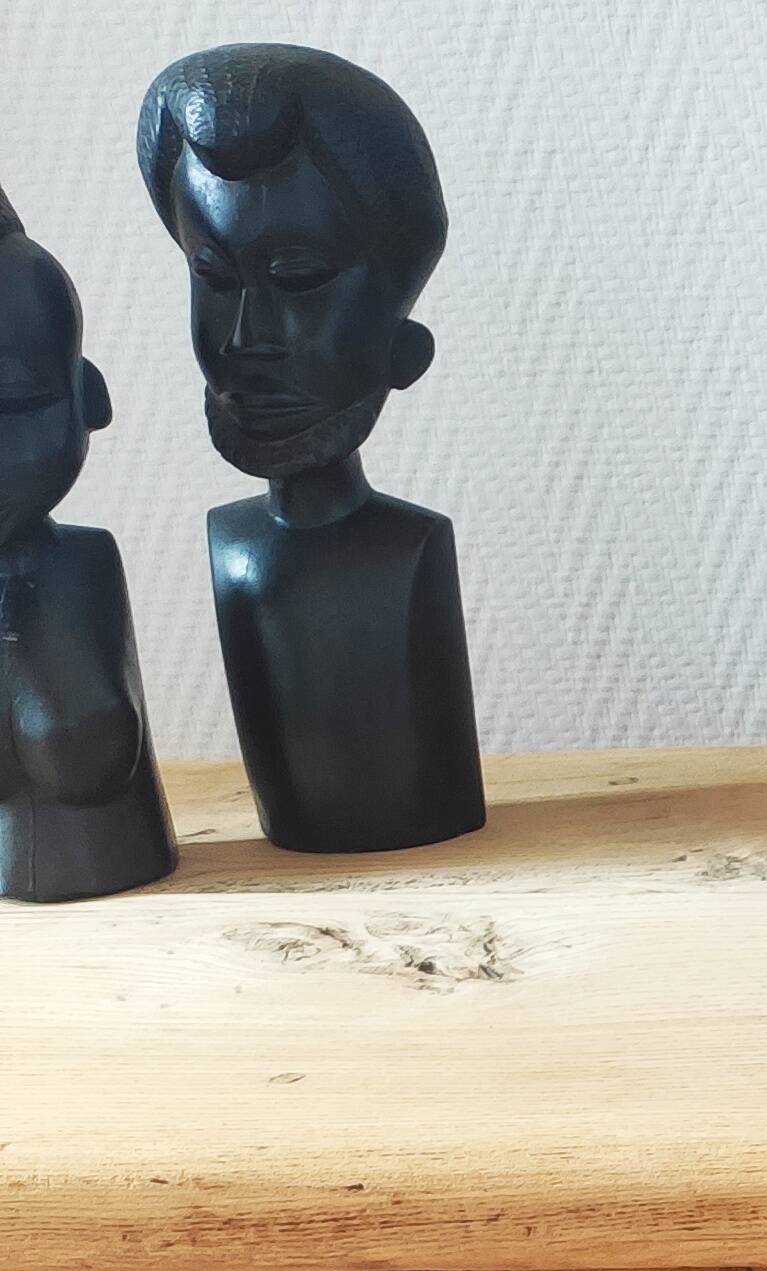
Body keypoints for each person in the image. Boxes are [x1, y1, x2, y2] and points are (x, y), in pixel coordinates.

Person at [138, 44, 482, 853]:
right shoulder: (233, 544)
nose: (246, 339)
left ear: (403, 337)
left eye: (298, 277)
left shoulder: (413, 546)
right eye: (213, 275)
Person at [0, 186, 175, 902]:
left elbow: (88, 753)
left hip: (117, 875)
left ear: (90, 397)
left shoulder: (78, 562)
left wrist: (25, 633)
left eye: (13, 407)